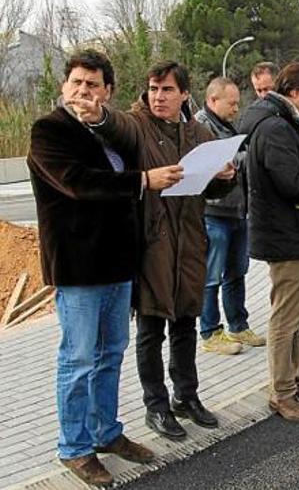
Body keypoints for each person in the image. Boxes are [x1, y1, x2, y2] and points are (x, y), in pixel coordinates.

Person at [28, 49, 181, 486]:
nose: (83, 91)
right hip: (78, 267)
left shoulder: (113, 133)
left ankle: (106, 432)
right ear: (63, 87)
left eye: (93, 84)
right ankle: (74, 447)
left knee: (111, 353)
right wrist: (142, 181)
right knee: (77, 359)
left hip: (118, 264)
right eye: (77, 82)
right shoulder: (48, 131)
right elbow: (78, 183)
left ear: (108, 92)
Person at [78, 61, 236, 441]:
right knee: (151, 330)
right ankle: (157, 406)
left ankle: (187, 396)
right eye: (153, 89)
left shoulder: (198, 132)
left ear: (184, 94)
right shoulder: (137, 124)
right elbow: (114, 125)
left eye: (167, 90)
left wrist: (224, 178)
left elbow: (207, 190)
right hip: (152, 246)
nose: (158, 97)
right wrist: (98, 114)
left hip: (191, 243)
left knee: (185, 324)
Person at [238, 62, 299, 422]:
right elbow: (292, 182)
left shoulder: (275, 123)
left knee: (295, 313)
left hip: (289, 231)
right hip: (284, 233)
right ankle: (282, 392)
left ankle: (298, 380)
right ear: (295, 92)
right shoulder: (276, 128)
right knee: (285, 317)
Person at [196, 77, 266, 355]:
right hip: (214, 212)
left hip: (237, 211)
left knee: (237, 271)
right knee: (212, 275)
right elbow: (210, 163)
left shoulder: (226, 125)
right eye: (232, 103)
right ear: (213, 100)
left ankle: (238, 325)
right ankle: (211, 331)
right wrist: (247, 157)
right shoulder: (202, 126)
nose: (237, 109)